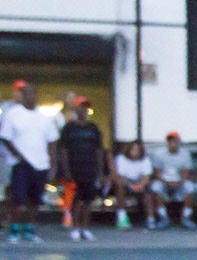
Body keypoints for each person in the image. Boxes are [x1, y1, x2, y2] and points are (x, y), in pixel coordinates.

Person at [1, 82, 58, 244]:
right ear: (23, 96)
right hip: (21, 164)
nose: (30, 97)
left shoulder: (44, 117)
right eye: (27, 94)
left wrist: (52, 162)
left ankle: (30, 229)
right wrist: (18, 155)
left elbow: (52, 141)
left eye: (33, 94)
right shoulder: (13, 114)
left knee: (35, 199)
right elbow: (5, 137)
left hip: (40, 164)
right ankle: (14, 230)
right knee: (17, 198)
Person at [56, 98, 107, 241]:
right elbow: (63, 150)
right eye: (81, 107)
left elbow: (99, 150)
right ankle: (76, 228)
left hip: (89, 168)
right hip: (74, 169)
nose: (84, 110)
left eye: (86, 107)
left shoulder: (93, 128)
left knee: (88, 200)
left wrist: (100, 170)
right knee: (76, 200)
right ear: (76, 109)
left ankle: (85, 228)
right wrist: (65, 170)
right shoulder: (69, 128)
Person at [149, 131, 197, 228]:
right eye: (171, 141)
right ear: (168, 142)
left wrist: (178, 182)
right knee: (155, 187)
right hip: (164, 182)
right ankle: (163, 217)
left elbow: (186, 173)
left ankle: (186, 217)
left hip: (179, 182)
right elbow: (157, 173)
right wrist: (167, 182)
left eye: (176, 141)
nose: (174, 143)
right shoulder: (159, 154)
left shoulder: (185, 154)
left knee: (190, 187)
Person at [112, 140, 155, 230]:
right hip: (126, 183)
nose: (135, 152)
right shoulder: (121, 158)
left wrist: (140, 185)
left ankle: (150, 218)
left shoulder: (145, 160)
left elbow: (146, 177)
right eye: (133, 149)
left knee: (148, 188)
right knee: (119, 185)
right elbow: (120, 176)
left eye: (137, 150)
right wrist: (131, 185)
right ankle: (122, 217)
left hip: (140, 183)